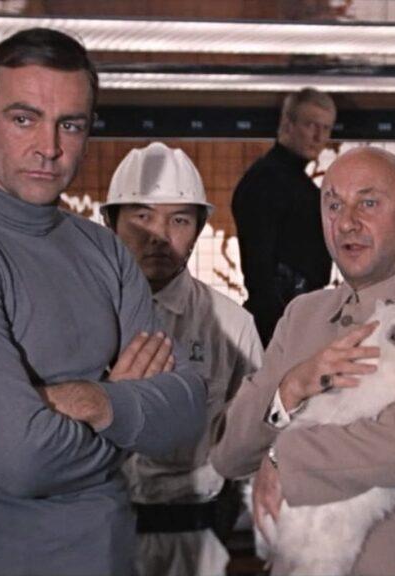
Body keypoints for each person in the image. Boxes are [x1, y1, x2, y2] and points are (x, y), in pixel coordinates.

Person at [0, 29, 206, 575]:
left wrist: (96, 402)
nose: (49, 148)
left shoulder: (103, 249)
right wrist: (129, 413)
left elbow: (187, 409)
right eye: (24, 119)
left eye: (69, 125)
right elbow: (25, 460)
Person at [212, 146, 395, 574]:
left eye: (368, 203)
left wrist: (283, 457)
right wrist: (290, 389)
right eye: (333, 205)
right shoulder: (303, 315)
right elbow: (229, 454)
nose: (346, 222)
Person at [101, 142, 264, 576]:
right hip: (93, 534)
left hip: (194, 540)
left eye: (179, 219)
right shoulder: (72, 317)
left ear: (198, 229)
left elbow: (258, 442)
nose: (159, 235)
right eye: (142, 216)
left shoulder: (232, 326)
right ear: (110, 222)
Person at [231, 88, 336, 346]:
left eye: (326, 128)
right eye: (311, 125)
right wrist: (282, 333)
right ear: (288, 124)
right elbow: (259, 269)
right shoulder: (265, 181)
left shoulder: (299, 186)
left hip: (297, 319)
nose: (319, 137)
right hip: (278, 326)